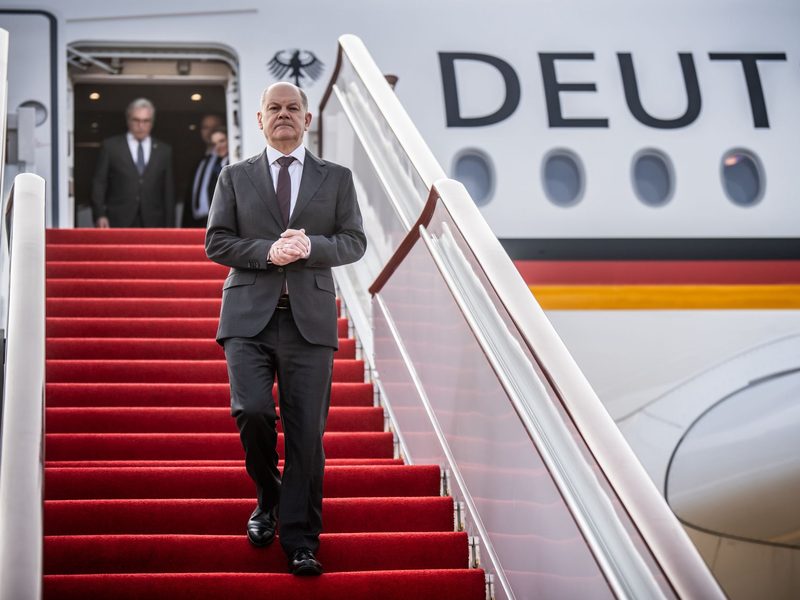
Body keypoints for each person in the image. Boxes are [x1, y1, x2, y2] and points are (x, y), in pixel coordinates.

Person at [205, 82, 366, 576]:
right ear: (259, 120)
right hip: (248, 318)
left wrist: (311, 247)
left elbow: (354, 241)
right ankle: (268, 497)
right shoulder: (234, 176)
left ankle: (300, 541)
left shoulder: (336, 178)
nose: (283, 115)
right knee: (252, 412)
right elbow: (217, 242)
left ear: (307, 119)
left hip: (309, 322)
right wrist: (267, 252)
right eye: (273, 109)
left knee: (305, 437)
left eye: (292, 108)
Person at [91, 98, 174, 228]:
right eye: (136, 120)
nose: (141, 126)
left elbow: (168, 190)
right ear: (128, 120)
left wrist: (170, 226)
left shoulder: (164, 150)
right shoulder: (111, 146)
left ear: (152, 122)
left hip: (153, 221)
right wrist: (99, 214)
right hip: (118, 218)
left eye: (146, 121)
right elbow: (99, 183)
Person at [183, 113, 224, 228]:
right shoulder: (198, 162)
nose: (210, 131)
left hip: (219, 224)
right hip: (196, 224)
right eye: (206, 127)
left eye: (214, 127)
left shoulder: (228, 161)